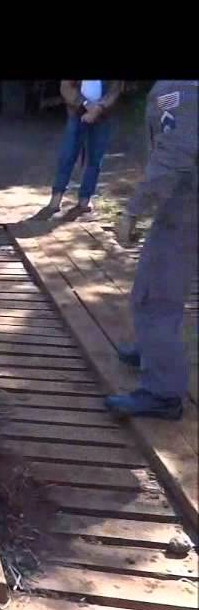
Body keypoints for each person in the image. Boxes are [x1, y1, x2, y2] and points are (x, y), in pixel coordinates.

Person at [105, 80, 198, 420]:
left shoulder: (181, 90)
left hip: (185, 210)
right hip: (181, 207)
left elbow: (175, 156)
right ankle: (151, 352)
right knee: (156, 288)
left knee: (156, 298)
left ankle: (162, 392)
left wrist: (133, 210)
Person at [42, 80, 124, 217]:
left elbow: (115, 90)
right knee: (67, 155)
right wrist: (85, 104)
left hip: (102, 116)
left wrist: (99, 108)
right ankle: (55, 199)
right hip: (76, 112)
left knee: (95, 159)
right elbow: (66, 86)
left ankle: (85, 200)